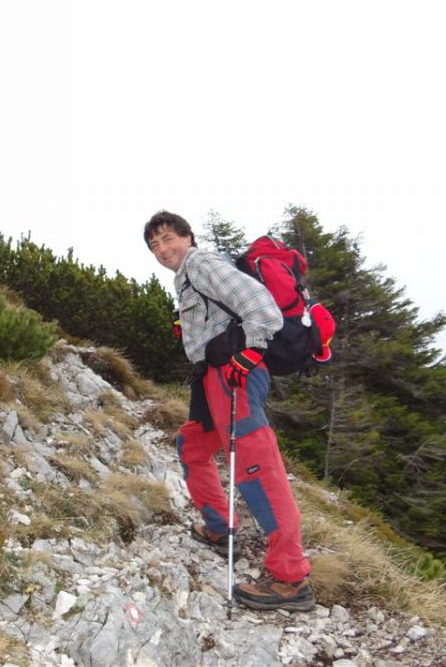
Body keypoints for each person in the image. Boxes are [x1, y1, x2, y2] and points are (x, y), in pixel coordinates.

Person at [143, 209, 315, 611]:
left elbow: (262, 306)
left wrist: (250, 350)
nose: (162, 249)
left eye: (169, 239)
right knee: (192, 446)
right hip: (212, 378)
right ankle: (221, 528)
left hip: (232, 375)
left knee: (256, 467)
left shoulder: (201, 263)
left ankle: (291, 579)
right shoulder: (186, 277)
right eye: (154, 246)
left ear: (187, 237)